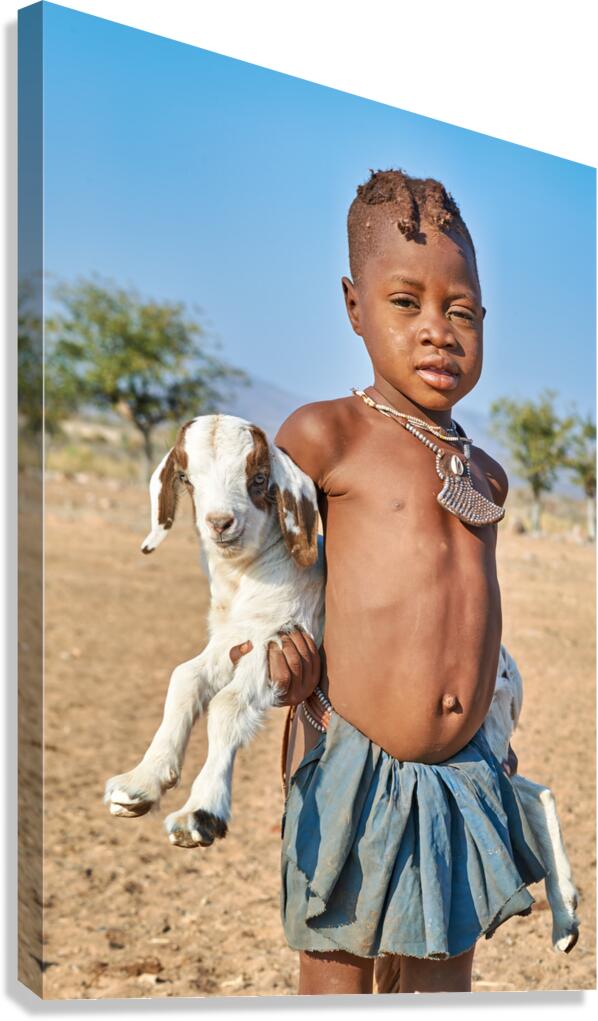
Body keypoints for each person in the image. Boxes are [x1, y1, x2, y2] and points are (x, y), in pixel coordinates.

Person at [229, 168, 545, 995]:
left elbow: (469, 615)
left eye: (462, 311)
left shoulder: (488, 475)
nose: (439, 330)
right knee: (336, 977)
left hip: (464, 773)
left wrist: (494, 711)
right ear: (353, 306)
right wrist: (270, 651)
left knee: (442, 982)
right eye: (406, 303)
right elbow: (261, 574)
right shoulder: (325, 435)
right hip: (349, 756)